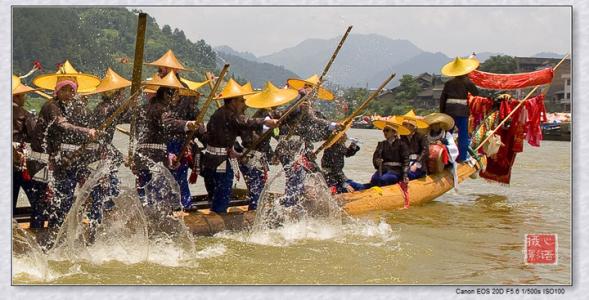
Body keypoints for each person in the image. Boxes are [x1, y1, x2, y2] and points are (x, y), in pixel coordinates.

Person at [32, 63, 101, 232]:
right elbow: (63, 126)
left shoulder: (67, 108)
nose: (69, 94)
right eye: (65, 90)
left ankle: (57, 231)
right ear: (57, 91)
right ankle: (44, 234)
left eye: (72, 90)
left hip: (57, 161)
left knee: (62, 198)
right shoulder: (51, 106)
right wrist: (88, 131)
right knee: (45, 201)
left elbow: (74, 130)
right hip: (42, 161)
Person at [201, 79, 278, 214]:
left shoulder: (218, 114)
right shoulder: (230, 115)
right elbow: (246, 122)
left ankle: (217, 213)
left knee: (217, 192)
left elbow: (215, 136)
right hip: (221, 161)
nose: (244, 103)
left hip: (212, 159)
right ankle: (219, 218)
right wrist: (265, 122)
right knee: (223, 192)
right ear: (233, 101)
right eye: (241, 100)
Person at [135, 71, 200, 207]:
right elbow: (169, 123)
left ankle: (143, 218)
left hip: (142, 155)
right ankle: (156, 221)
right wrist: (188, 124)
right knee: (157, 193)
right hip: (155, 157)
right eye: (175, 95)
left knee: (144, 191)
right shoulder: (162, 109)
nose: (176, 99)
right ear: (166, 95)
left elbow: (138, 132)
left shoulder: (144, 108)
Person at [274, 75, 340, 207]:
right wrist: (331, 124)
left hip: (292, 145)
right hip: (290, 145)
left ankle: (291, 204)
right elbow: (311, 119)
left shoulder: (300, 99)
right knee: (295, 176)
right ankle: (288, 205)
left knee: (296, 176)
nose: (315, 94)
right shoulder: (300, 99)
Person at [240, 81, 298, 210]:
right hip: (252, 156)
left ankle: (257, 207)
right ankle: (255, 210)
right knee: (256, 185)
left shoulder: (268, 115)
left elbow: (269, 139)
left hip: (258, 155)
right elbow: (257, 137)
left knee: (259, 184)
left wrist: (274, 154)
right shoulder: (263, 117)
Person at [12, 75, 48, 228]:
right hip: (22, 163)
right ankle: (36, 231)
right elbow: (37, 139)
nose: (25, 99)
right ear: (17, 96)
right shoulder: (24, 114)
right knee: (38, 200)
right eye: (24, 95)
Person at [439, 56, 480, 162]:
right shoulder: (467, 82)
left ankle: (445, 158)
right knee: (463, 135)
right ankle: (462, 157)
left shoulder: (448, 83)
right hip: (462, 112)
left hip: (448, 112)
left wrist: (442, 113)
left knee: (447, 134)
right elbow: (476, 93)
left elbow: (442, 99)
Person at [369, 117, 411, 187]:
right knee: (374, 179)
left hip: (396, 171)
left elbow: (406, 161)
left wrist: (405, 175)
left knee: (383, 179)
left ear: (394, 132)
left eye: (387, 130)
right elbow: (375, 158)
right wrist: (377, 161)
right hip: (383, 169)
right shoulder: (381, 144)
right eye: (384, 130)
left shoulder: (402, 144)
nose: (385, 132)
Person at [398, 110, 429, 180]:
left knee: (409, 173)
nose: (404, 126)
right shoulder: (402, 137)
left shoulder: (421, 137)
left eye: (406, 124)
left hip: (418, 164)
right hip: (406, 164)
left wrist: (416, 164)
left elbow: (425, 152)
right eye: (403, 124)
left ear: (412, 126)